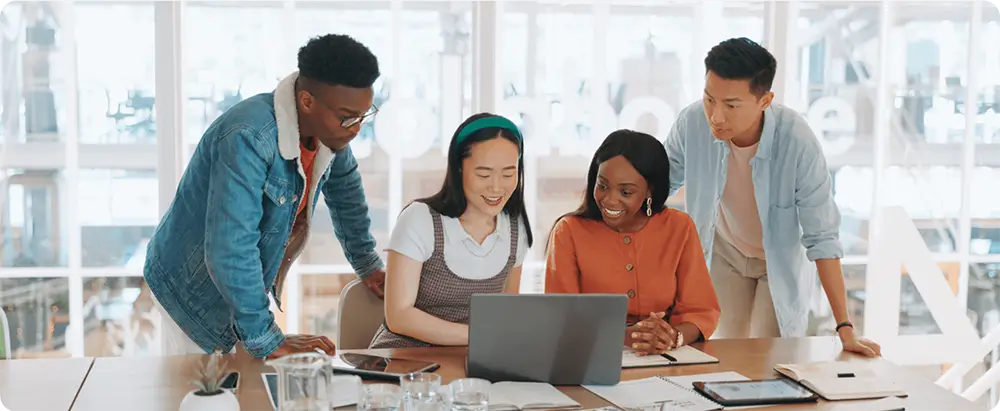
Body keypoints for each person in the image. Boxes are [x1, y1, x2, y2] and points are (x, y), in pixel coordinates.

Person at [143, 34, 387, 359]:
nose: (355, 128)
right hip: (190, 295)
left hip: (237, 292)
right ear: (307, 101)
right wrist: (266, 338)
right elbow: (231, 249)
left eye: (363, 115)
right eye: (347, 116)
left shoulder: (330, 131)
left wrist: (368, 265)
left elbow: (346, 195)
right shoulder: (247, 137)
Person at [664, 37, 880, 356]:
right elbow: (658, 186)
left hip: (776, 261)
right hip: (724, 249)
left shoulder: (798, 141)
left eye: (731, 105)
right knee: (719, 353)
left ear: (765, 100)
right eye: (710, 99)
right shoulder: (692, 121)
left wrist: (845, 329)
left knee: (772, 358)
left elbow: (822, 238)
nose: (716, 116)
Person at [546, 130, 720, 355]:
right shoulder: (569, 231)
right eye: (603, 186)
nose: (609, 199)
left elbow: (701, 310)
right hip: (590, 353)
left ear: (650, 191)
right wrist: (628, 336)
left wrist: (672, 337)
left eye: (626, 191)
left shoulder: (679, 226)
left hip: (666, 357)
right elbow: (562, 316)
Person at [370, 113, 533, 348]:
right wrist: (479, 336)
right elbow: (399, 316)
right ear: (458, 168)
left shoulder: (516, 228)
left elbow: (504, 315)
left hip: (475, 356)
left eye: (508, 174)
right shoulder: (420, 219)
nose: (497, 186)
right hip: (407, 355)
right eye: (483, 174)